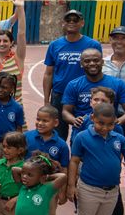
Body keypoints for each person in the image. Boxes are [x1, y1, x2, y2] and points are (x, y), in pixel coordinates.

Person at [42, 9, 102, 140]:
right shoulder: (55, 45)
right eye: (68, 20)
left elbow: (98, 69)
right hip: (60, 95)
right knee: (57, 133)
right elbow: (48, 73)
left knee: (84, 131)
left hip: (84, 94)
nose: (72, 22)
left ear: (82, 23)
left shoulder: (93, 44)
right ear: (63, 23)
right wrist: (46, 100)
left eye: (75, 20)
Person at [102, 25, 125, 215]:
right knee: (110, 166)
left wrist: (122, 120)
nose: (119, 41)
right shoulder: (103, 64)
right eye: (115, 38)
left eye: (124, 38)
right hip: (107, 124)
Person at [0, 0, 27, 103]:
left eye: (5, 41)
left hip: (15, 108)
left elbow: (21, 33)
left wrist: (20, 7)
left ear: (11, 43)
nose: (2, 44)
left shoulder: (17, 58)